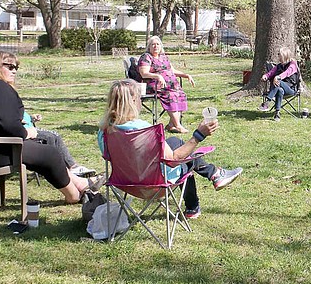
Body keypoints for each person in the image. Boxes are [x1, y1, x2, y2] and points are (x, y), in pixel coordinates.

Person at [0, 51, 104, 204]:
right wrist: (27, 131)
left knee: (43, 147)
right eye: (9, 66)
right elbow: (10, 127)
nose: (14, 70)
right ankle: (73, 195)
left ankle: (81, 183)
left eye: (16, 67)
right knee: (50, 154)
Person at [98, 79, 243, 219]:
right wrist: (199, 135)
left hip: (125, 183)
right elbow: (173, 160)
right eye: (140, 98)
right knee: (186, 160)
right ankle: (211, 180)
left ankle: (213, 177)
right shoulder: (143, 129)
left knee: (174, 141)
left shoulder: (104, 131)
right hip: (154, 185)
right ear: (133, 101)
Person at [137, 35, 195, 133]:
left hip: (171, 85)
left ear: (161, 46)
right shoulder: (146, 57)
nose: (156, 46)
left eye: (158, 44)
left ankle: (171, 125)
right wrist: (158, 76)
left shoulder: (163, 57)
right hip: (155, 85)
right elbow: (144, 73)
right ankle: (178, 125)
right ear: (149, 46)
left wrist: (186, 75)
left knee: (180, 94)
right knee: (171, 96)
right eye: (153, 44)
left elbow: (172, 70)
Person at [22, 112, 95, 177]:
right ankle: (55, 170)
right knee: (50, 137)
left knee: (55, 135)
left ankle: (70, 167)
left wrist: (31, 118)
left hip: (30, 128)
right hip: (25, 132)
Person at [260, 46, 300, 122]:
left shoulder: (293, 65)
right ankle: (277, 113)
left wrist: (278, 77)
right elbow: (271, 72)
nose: (279, 58)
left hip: (291, 89)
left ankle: (267, 102)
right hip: (281, 89)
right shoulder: (279, 66)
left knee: (278, 82)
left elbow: (287, 73)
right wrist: (265, 76)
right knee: (279, 90)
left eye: (280, 56)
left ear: (285, 56)